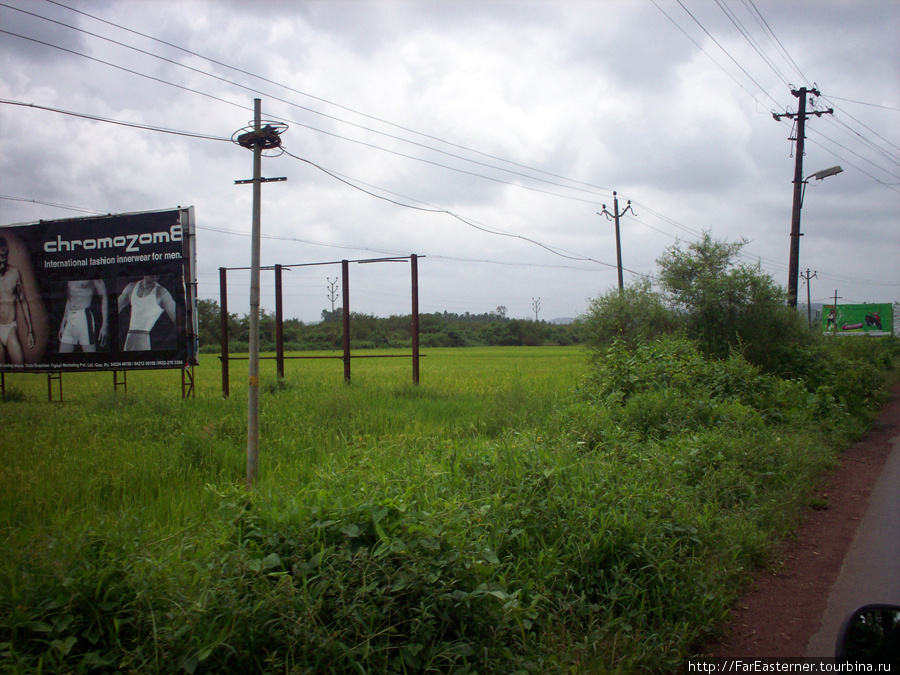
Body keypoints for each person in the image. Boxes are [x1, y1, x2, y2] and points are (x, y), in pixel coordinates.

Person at [0, 236, 35, 364]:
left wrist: (30, 330)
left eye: (5, 258)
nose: (3, 264)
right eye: (0, 260)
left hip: (10, 327)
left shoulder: (14, 272)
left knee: (20, 367)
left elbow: (23, 301)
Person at [118, 275, 177, 351]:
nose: (157, 276)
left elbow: (179, 319)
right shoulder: (131, 287)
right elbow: (115, 308)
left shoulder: (161, 292)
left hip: (142, 340)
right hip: (128, 339)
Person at [59, 279, 108, 352]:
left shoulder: (92, 274)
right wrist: (63, 324)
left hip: (84, 318)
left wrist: (104, 326)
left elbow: (104, 297)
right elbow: (69, 300)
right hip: (70, 318)